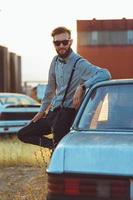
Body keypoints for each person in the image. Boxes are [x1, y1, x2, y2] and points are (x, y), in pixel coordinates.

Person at [17, 26, 111, 149]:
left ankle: (58, 148)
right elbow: (50, 89)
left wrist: (83, 86)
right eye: (57, 43)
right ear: (53, 44)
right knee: (23, 134)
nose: (61, 45)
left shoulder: (79, 63)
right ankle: (55, 146)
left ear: (70, 42)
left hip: (67, 115)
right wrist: (41, 111)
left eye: (64, 42)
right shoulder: (55, 61)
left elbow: (105, 74)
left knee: (57, 155)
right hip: (52, 113)